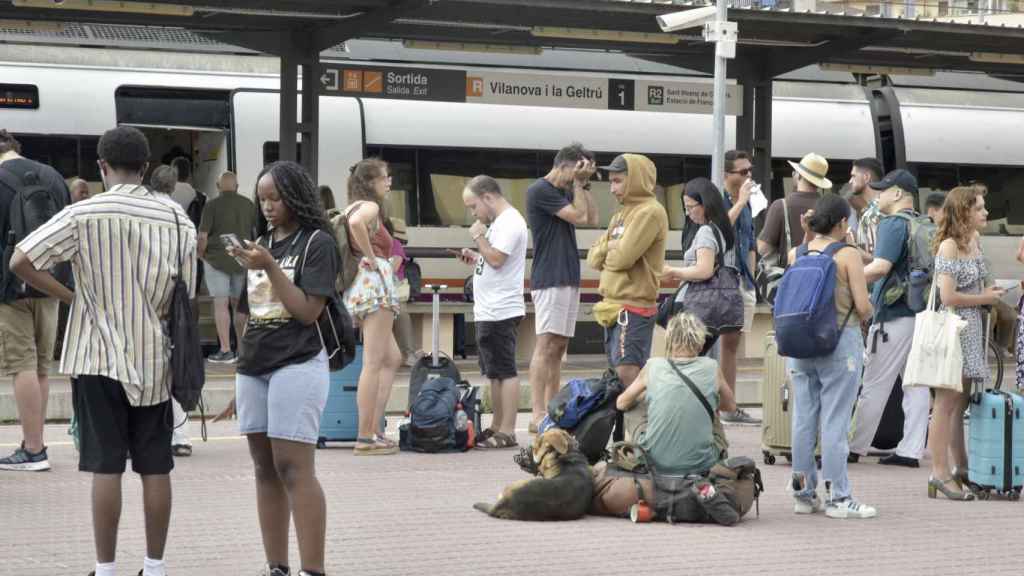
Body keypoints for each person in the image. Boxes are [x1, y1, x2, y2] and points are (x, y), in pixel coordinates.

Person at [11, 126, 195, 576]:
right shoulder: (177, 219)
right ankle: (154, 567)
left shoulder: (84, 213)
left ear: (101, 165)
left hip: (95, 357)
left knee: (105, 467)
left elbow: (20, 260)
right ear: (147, 166)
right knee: (156, 466)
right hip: (154, 359)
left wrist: (74, 298)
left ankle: (106, 568)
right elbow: (182, 296)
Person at [228, 160, 335, 576]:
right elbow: (250, 311)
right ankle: (276, 566)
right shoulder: (261, 241)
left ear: (295, 196)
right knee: (263, 466)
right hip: (255, 363)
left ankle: (313, 569)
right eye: (262, 199)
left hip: (298, 360)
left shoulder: (317, 243)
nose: (268, 206)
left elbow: (307, 312)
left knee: (293, 465)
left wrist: (270, 266)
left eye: (275, 198)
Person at [785, 194, 877, 519]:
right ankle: (839, 497)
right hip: (839, 343)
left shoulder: (797, 253)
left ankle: (803, 493)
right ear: (842, 223)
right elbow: (863, 307)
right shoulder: (848, 255)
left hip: (799, 345)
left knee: (803, 419)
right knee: (835, 420)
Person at [849, 170, 932, 467]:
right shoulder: (921, 223)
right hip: (919, 315)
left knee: (873, 383)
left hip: (893, 316)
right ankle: (911, 450)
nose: (879, 196)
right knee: (917, 385)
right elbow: (887, 262)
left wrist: (848, 276)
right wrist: (857, 255)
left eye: (883, 191)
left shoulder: (893, 223)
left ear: (898, 194)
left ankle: (854, 447)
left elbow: (881, 268)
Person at [0, 128, 71, 472]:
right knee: (42, 366)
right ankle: (36, 442)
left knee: (21, 366)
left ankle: (32, 449)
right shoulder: (53, 176)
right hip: (49, 283)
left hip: (8, 287)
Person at [927, 186, 1002, 501]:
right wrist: (985, 296)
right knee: (945, 404)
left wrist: (992, 291)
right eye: (980, 208)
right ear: (964, 212)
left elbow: (985, 279)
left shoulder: (975, 241)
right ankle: (939, 473)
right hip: (955, 329)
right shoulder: (948, 247)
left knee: (959, 404)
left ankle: (962, 468)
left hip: (973, 329)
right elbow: (947, 297)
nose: (986, 213)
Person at [526, 143, 598, 432]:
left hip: (568, 274)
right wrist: (578, 185)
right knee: (545, 345)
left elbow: (592, 218)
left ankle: (553, 406)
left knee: (560, 346)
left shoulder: (568, 190)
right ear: (564, 165)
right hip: (549, 276)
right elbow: (579, 217)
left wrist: (584, 184)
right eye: (578, 170)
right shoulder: (540, 190)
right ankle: (536, 411)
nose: (578, 177)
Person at [456, 175, 528, 449]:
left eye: (474, 206)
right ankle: (497, 425)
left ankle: (508, 430)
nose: (474, 213)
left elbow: (497, 259)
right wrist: (475, 257)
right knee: (494, 371)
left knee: (505, 370)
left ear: (488, 197)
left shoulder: (511, 222)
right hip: (489, 308)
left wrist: (478, 238)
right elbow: (494, 258)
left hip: (501, 308)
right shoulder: (499, 224)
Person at [588, 154, 667, 396]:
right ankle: (625, 430)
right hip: (613, 307)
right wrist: (609, 247)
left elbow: (623, 258)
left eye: (618, 181)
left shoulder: (650, 212)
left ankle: (639, 431)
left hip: (633, 308)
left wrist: (610, 250)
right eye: (611, 182)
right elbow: (592, 258)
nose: (612, 189)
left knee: (627, 373)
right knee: (617, 377)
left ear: (636, 180)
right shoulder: (620, 215)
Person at [662, 178, 742, 416]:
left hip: (696, 306)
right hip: (715, 307)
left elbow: (704, 270)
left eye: (690, 207)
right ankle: (704, 410)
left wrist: (673, 271)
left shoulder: (706, 231)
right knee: (691, 362)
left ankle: (682, 412)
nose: (688, 213)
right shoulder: (721, 229)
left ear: (705, 204)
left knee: (679, 364)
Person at [617, 312, 723, 474]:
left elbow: (621, 403)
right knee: (713, 406)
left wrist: (648, 395)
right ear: (701, 343)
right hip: (704, 463)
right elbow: (730, 406)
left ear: (669, 342)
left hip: (655, 462)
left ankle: (634, 462)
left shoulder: (653, 366)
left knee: (633, 405)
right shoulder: (712, 367)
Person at [344, 159, 401, 455]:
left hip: (361, 285)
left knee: (392, 357)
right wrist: (371, 256)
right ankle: (366, 436)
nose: (388, 182)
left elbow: (351, 224)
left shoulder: (350, 206)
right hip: (375, 285)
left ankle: (375, 428)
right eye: (384, 177)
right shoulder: (370, 208)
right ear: (370, 182)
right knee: (374, 362)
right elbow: (356, 226)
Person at [148, 164, 198, 458]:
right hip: (174, 305)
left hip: (142, 303)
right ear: (175, 185)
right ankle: (181, 436)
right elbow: (189, 275)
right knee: (176, 366)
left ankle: (149, 432)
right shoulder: (183, 220)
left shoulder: (141, 212)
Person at [716, 150, 761, 425]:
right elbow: (719, 229)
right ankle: (723, 405)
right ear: (726, 175)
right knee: (719, 341)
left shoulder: (746, 204)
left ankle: (728, 405)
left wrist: (751, 275)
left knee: (733, 343)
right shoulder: (719, 200)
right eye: (742, 172)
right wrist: (742, 200)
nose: (748, 176)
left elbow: (751, 240)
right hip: (721, 279)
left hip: (742, 279)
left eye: (750, 171)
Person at [199, 170, 256, 364]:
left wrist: (201, 255)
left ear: (217, 187)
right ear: (237, 187)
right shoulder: (249, 205)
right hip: (242, 260)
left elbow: (202, 236)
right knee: (239, 306)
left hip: (217, 261)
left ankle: (225, 350)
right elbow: (254, 233)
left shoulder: (211, 205)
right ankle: (242, 350)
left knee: (220, 304)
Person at [758, 152, 833, 260]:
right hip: (823, 273)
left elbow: (763, 249)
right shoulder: (830, 207)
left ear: (799, 175)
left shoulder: (781, 205)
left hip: (790, 274)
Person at [389, 217, 422, 366]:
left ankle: (407, 353)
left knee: (401, 317)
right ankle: (407, 354)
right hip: (390, 291)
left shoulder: (394, 244)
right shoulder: (394, 244)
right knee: (402, 318)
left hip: (393, 290)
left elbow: (393, 269)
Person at [845, 157, 884, 258]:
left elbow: (878, 260)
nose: (850, 181)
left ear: (866, 177)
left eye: (853, 176)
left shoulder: (874, 214)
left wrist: (853, 247)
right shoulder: (882, 206)